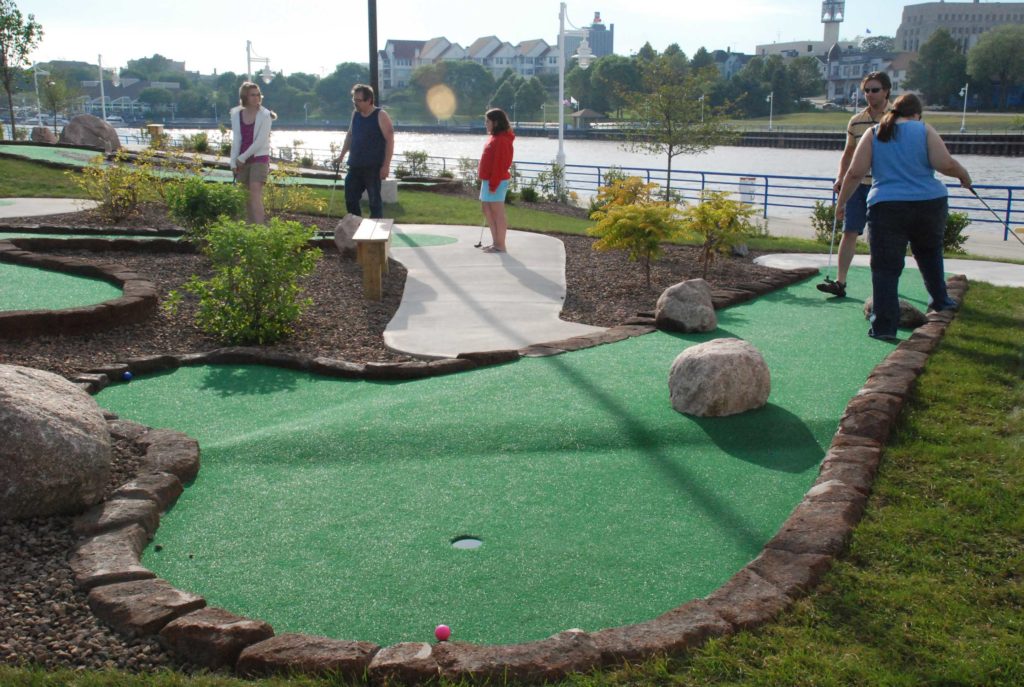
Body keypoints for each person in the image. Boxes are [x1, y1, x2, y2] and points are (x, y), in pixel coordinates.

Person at [835, 93, 971, 342]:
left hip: (886, 206)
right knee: (929, 253)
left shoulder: (874, 133)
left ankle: (884, 326)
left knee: (885, 269)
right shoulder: (923, 130)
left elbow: (855, 172)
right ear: (917, 113)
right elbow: (945, 163)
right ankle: (941, 301)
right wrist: (963, 175)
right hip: (929, 204)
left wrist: (841, 202)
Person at [819, 71, 892, 298]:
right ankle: (840, 282)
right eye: (866, 91)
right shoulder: (856, 121)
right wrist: (841, 178)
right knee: (850, 231)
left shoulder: (897, 119)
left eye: (875, 90)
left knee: (882, 235)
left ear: (886, 91)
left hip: (886, 185)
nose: (870, 94)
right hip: (858, 185)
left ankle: (886, 284)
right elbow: (848, 153)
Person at [335, 84, 394, 218]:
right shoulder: (355, 114)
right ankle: (355, 226)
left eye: (359, 100)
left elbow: (390, 140)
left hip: (373, 166)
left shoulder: (380, 115)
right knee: (350, 197)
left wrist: (386, 165)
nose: (355, 103)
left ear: (369, 100)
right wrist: (341, 156)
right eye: (354, 100)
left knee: (374, 201)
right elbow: (350, 135)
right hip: (355, 164)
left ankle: (376, 232)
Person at [230, 81, 276, 224]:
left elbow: (260, 141)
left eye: (258, 94)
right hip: (242, 159)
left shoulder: (265, 115)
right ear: (245, 96)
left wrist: (242, 158)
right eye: (252, 95)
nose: (256, 97)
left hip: (259, 158)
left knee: (255, 193)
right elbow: (237, 138)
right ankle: (249, 228)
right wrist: (233, 162)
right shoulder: (236, 114)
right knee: (244, 195)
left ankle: (260, 230)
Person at [477, 108, 515, 253]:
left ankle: (500, 245)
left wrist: (493, 184)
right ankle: (495, 242)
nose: (485, 124)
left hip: (496, 181)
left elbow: (500, 164)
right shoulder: (494, 138)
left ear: (496, 122)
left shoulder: (502, 140)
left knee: (497, 212)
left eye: (487, 121)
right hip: (489, 180)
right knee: (487, 210)